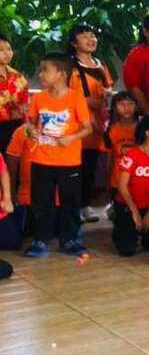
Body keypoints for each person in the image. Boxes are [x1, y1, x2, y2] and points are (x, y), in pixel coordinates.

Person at [24, 53, 92, 258]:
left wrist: (71, 138)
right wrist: (31, 130)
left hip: (69, 162)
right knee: (41, 202)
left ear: (61, 74)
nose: (40, 74)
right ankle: (40, 239)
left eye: (45, 70)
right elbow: (30, 123)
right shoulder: (39, 98)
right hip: (41, 159)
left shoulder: (75, 97)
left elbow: (88, 128)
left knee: (70, 202)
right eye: (41, 70)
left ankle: (70, 239)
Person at [66, 24, 113, 223]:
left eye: (93, 35)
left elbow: (108, 88)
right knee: (74, 169)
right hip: (76, 125)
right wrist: (87, 102)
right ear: (73, 43)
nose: (91, 39)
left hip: (97, 125)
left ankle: (85, 205)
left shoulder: (100, 65)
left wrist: (106, 95)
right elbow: (64, 93)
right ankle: (73, 208)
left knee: (90, 167)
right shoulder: (69, 65)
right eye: (84, 36)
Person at [112, 112, 149, 257]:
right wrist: (134, 212)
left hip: (147, 206)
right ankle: (119, 225)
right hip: (127, 206)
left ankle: (143, 232)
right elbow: (122, 186)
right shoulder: (132, 154)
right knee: (127, 250)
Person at [103, 91, 140, 206]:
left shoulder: (143, 129)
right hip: (117, 181)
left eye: (130, 104)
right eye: (121, 104)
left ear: (136, 107)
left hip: (140, 180)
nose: (126, 108)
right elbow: (109, 160)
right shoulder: (111, 130)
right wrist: (107, 183)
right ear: (114, 108)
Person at [0, 36, 29, 155]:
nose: (7, 53)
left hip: (16, 127)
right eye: (1, 50)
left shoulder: (18, 77)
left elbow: (25, 105)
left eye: (9, 49)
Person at [6, 123, 35, 239]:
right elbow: (10, 162)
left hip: (59, 201)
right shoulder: (23, 130)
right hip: (28, 200)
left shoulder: (66, 129)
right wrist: (11, 194)